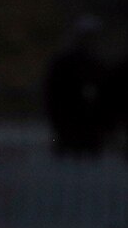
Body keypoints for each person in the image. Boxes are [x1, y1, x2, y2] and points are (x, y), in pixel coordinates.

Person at [43, 17, 106, 154]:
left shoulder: (98, 65)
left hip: (90, 132)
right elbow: (52, 95)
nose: (90, 41)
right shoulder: (63, 64)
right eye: (87, 37)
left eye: (92, 37)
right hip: (68, 129)